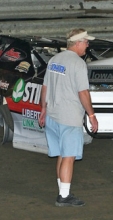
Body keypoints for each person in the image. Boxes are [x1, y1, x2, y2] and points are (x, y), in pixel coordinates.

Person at [38, 28, 99, 207]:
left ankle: (62, 190)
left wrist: (43, 109)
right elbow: (83, 92)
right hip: (69, 116)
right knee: (69, 156)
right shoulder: (78, 63)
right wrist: (91, 114)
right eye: (86, 42)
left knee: (61, 154)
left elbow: (45, 87)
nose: (88, 45)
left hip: (53, 114)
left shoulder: (54, 60)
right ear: (78, 42)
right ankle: (64, 196)